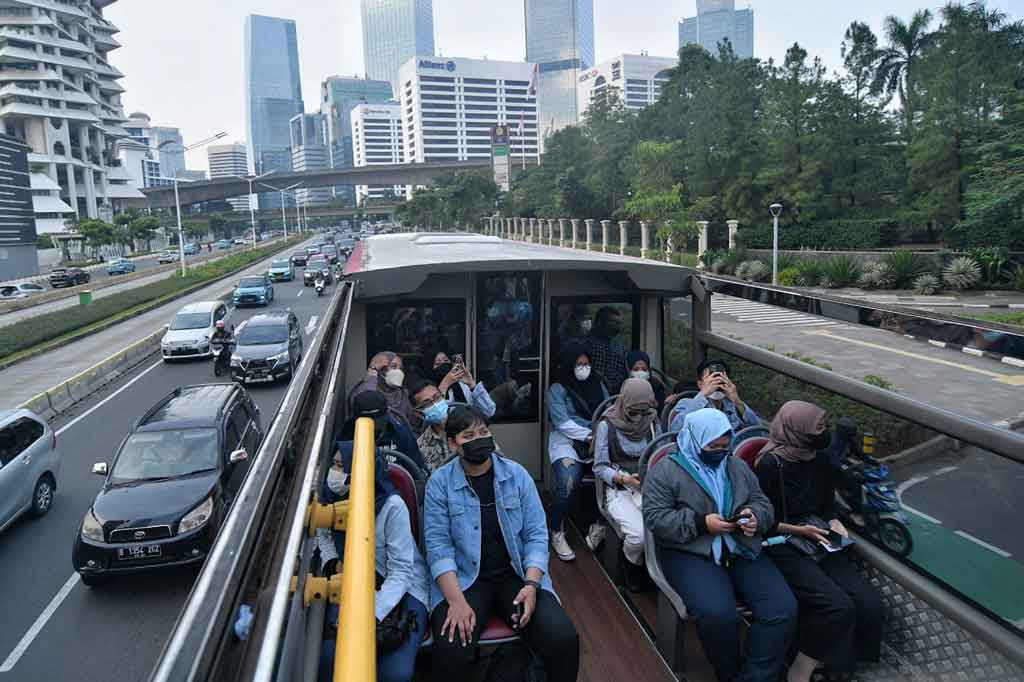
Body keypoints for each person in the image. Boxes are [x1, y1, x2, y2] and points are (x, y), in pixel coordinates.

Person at [424, 406, 579, 682]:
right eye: (468, 435)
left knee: (563, 638)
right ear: (452, 443)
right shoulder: (440, 484)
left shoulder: (517, 476)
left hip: (515, 575)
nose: (479, 440)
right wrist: (456, 601)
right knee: (451, 648)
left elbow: (536, 535)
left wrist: (532, 586)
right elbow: (438, 547)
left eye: (483, 432)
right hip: (465, 580)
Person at [643, 408, 797, 682]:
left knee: (781, 609)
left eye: (725, 447)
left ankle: (753, 677)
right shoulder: (665, 471)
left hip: (740, 545)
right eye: (712, 446)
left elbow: (762, 503)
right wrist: (702, 523)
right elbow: (656, 519)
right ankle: (730, 673)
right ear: (693, 439)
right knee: (717, 615)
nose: (720, 452)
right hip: (690, 551)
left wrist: (754, 517)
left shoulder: (736, 466)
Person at [754, 401, 884, 682]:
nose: (824, 433)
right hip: (782, 540)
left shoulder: (819, 456)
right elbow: (763, 522)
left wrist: (834, 521)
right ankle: (801, 668)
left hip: (818, 532)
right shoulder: (769, 464)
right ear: (796, 430)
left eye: (824, 427)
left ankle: (842, 664)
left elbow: (826, 502)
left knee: (869, 602)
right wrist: (800, 531)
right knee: (837, 605)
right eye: (819, 428)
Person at [317, 450, 430, 682]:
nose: (335, 474)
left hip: (400, 587)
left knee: (394, 673)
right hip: (351, 581)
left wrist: (370, 614)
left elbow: (401, 571)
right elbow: (324, 537)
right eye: (334, 465)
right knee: (330, 660)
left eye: (342, 467)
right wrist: (333, 562)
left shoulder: (392, 506)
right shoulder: (328, 500)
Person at [592, 378, 661, 591]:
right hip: (619, 488)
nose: (638, 416)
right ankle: (632, 564)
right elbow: (600, 467)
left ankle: (658, 572)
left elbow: (660, 454)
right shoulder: (607, 425)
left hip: (649, 486)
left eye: (643, 410)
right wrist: (624, 479)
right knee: (639, 535)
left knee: (664, 527)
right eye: (634, 411)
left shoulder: (652, 423)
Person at [546, 343, 610, 561]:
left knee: (616, 483)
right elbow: (562, 422)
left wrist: (600, 436)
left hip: (598, 440)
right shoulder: (557, 389)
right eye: (578, 364)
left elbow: (608, 411)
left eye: (586, 364)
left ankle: (599, 525)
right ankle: (556, 531)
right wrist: (591, 435)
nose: (583, 368)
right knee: (568, 482)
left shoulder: (598, 384)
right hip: (567, 442)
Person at [338, 391, 425, 472]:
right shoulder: (346, 435)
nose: (372, 425)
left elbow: (416, 468)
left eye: (376, 419)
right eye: (367, 419)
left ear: (386, 414)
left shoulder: (399, 432)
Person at [670, 358, 760, 433]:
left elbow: (759, 431)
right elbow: (675, 430)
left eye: (720, 380)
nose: (716, 385)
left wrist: (737, 401)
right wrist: (703, 394)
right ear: (700, 384)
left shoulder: (734, 406)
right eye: (711, 380)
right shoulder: (686, 403)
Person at [349, 352, 414, 426]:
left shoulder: (402, 394)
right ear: (381, 370)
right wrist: (373, 371)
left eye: (401, 368)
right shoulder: (364, 388)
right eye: (393, 366)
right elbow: (366, 403)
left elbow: (410, 423)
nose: (398, 371)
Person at [429, 350, 496, 418]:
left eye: (446, 361)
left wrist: (472, 385)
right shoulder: (427, 390)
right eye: (437, 364)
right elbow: (435, 418)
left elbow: (489, 411)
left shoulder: (463, 386)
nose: (443, 364)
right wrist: (444, 385)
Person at [409, 378, 456, 473]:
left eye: (437, 397)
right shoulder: (421, 446)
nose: (435, 404)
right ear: (418, 413)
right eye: (427, 403)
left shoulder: (467, 426)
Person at [585, 306, 628, 393]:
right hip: (591, 392)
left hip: (616, 395)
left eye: (619, 323)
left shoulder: (620, 348)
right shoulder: (586, 344)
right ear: (600, 323)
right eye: (613, 323)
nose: (617, 327)